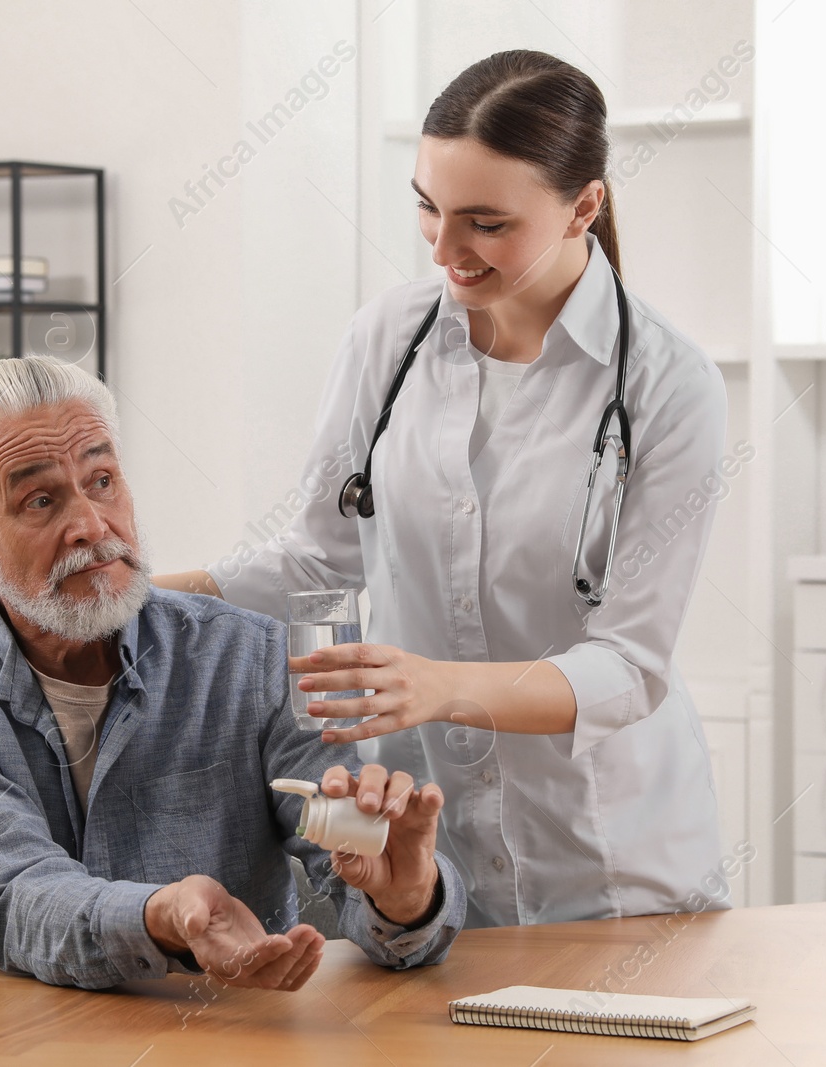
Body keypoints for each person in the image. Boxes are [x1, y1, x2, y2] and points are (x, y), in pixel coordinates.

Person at [157, 50, 731, 928]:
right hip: (429, 864)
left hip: (611, 865)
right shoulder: (388, 339)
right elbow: (319, 559)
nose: (443, 248)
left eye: (486, 222)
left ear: (585, 205)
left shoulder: (668, 385)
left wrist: (440, 684)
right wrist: (138, 596)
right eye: (428, 207)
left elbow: (628, 668)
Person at [0, 355, 464, 990]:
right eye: (40, 500)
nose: (90, 525)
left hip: (215, 1042)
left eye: (103, 481)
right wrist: (156, 918)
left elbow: (353, 857)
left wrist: (405, 900)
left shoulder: (255, 658)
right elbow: (10, 894)